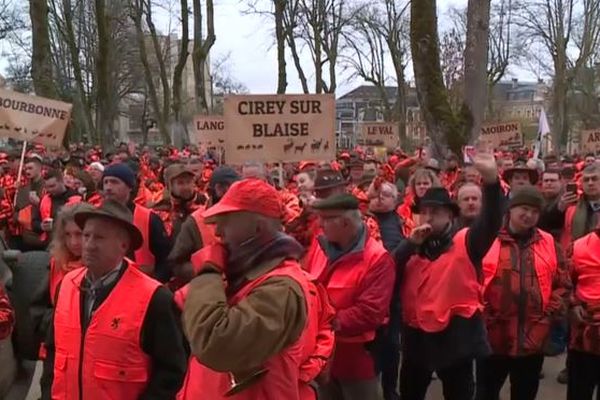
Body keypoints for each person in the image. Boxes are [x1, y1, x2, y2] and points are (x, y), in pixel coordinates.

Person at [180, 179, 330, 399]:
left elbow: (216, 344)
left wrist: (208, 273)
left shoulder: (282, 287)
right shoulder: (243, 274)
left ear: (258, 227)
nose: (218, 232)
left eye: (226, 222)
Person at [40, 200, 187, 400]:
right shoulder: (67, 285)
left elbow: (172, 371)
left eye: (99, 237)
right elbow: (52, 350)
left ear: (123, 245)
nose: (89, 245)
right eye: (86, 235)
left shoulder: (153, 297)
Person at [394, 144, 503, 400]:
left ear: (450, 217)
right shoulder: (410, 245)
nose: (429, 217)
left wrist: (491, 182)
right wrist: (409, 245)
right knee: (410, 392)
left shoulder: (467, 241)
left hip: (456, 340)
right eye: (425, 212)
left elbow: (491, 222)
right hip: (417, 340)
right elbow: (387, 271)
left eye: (436, 212)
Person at [476, 186, 571, 400]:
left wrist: (548, 314)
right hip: (493, 339)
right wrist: (483, 318)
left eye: (535, 211)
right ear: (511, 209)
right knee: (486, 392)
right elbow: (470, 282)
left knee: (525, 393)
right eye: (524, 209)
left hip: (533, 339)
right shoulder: (488, 238)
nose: (529, 215)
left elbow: (563, 283)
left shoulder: (549, 243)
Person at [305, 193, 395, 400]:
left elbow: (370, 313)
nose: (320, 224)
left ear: (344, 222)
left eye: (326, 219)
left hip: (356, 357)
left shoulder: (377, 259)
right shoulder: (320, 246)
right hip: (323, 353)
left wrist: (323, 322)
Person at [168, 166, 241, 284]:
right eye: (227, 189)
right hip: (208, 292)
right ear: (218, 189)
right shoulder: (195, 221)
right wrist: (204, 272)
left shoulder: (246, 217)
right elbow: (177, 263)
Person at [102, 163, 172, 282]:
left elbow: (166, 260)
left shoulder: (149, 218)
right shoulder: (95, 217)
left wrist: (154, 285)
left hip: (142, 286)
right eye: (105, 182)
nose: (108, 187)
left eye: (114, 182)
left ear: (129, 187)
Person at [368, 180, 405, 400]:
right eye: (376, 195)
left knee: (392, 346)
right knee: (372, 347)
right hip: (370, 293)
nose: (380, 199)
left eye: (387, 195)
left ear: (396, 199)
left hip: (396, 294)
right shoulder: (363, 220)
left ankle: (390, 390)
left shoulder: (403, 221)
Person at [567, 221, 600, 399]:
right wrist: (573, 303)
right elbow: (564, 283)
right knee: (579, 391)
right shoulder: (580, 246)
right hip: (584, 334)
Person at [47, 202, 96, 304]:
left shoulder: (103, 266)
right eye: (67, 234)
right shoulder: (57, 262)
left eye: (79, 234)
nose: (73, 242)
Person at [153, 163, 206, 238]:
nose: (186, 187)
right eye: (180, 183)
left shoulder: (205, 204)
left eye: (189, 182)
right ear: (170, 186)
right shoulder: (160, 210)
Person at [32, 169, 82, 244]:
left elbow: (80, 223)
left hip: (69, 242)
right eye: (47, 187)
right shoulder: (45, 199)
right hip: (48, 243)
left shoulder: (77, 198)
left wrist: (55, 225)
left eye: (52, 186)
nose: (49, 190)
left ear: (61, 182)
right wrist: (41, 226)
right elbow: (34, 222)